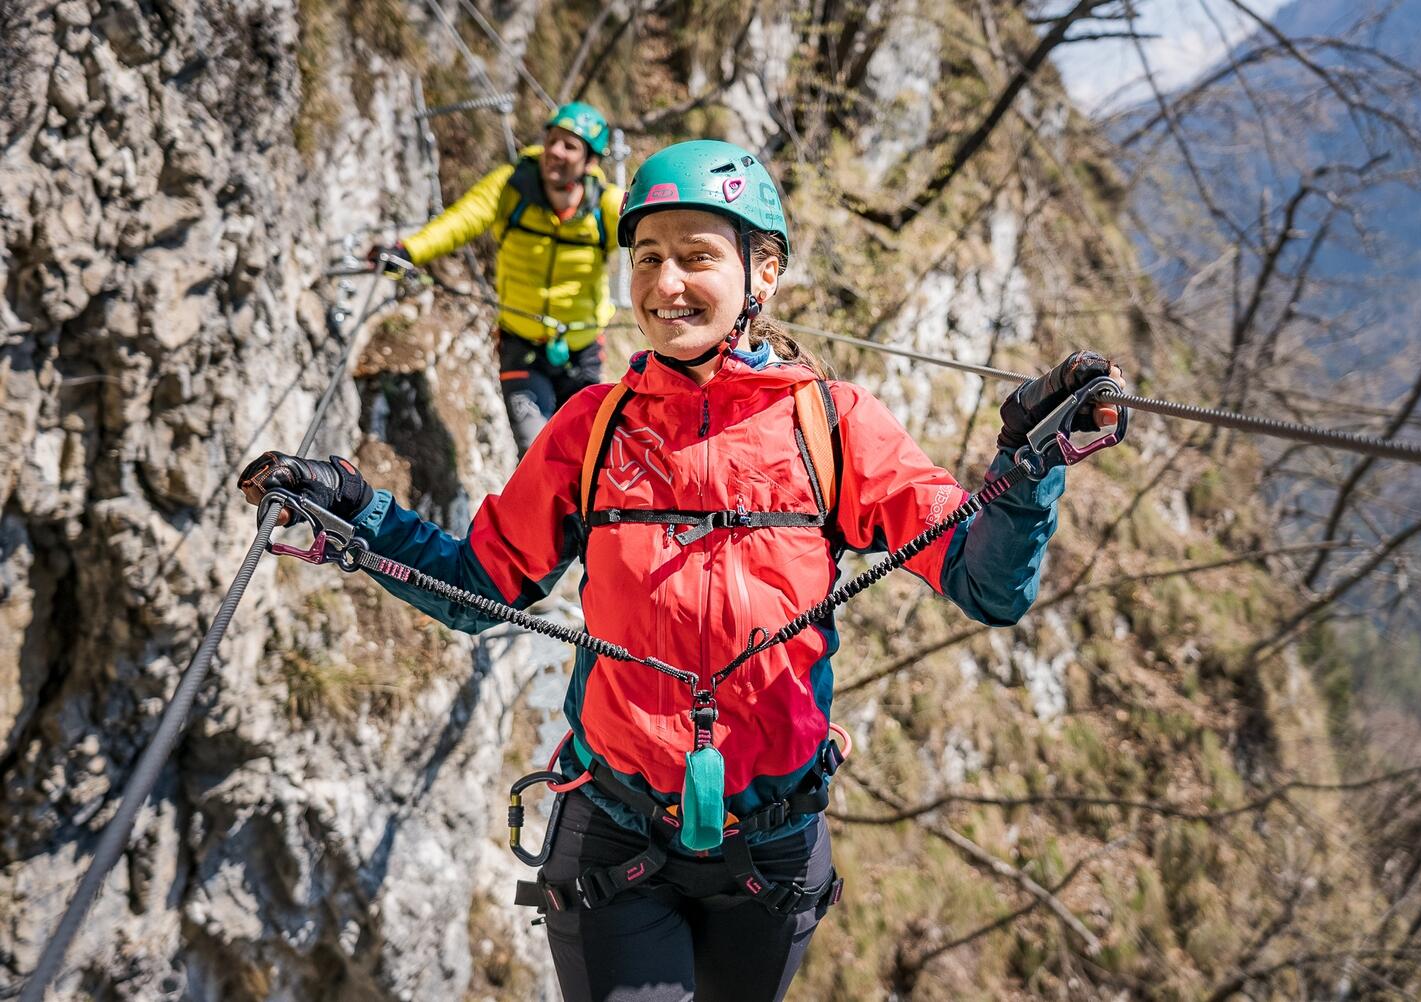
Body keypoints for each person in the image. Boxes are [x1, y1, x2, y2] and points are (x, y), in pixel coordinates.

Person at [244, 139, 1125, 1001]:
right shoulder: (591, 429)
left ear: (764, 270)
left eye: (697, 257)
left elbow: (987, 583)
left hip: (771, 854)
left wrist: (1026, 468)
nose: (665, 286)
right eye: (647, 258)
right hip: (615, 843)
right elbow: (481, 587)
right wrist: (362, 519)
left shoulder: (833, 425)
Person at [370, 101, 625, 455]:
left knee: (586, 455)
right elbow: (462, 220)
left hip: (581, 353)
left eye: (570, 146)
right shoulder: (511, 186)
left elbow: (652, 230)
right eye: (552, 139)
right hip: (520, 346)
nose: (555, 151)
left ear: (591, 161)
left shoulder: (607, 207)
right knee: (536, 450)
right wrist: (408, 251)